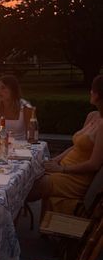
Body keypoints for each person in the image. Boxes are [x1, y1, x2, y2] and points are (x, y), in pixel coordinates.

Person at [28, 74, 103, 215]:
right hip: (63, 168)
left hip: (76, 178)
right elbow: (76, 146)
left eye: (93, 90)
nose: (90, 92)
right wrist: (56, 160)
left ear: (98, 95)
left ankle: (4, 225)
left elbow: (94, 164)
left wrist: (62, 169)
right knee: (28, 174)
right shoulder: (93, 116)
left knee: (28, 187)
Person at [0, 74, 33, 141]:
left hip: (20, 146)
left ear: (13, 90)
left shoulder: (25, 107)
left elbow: (31, 133)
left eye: (3, 88)